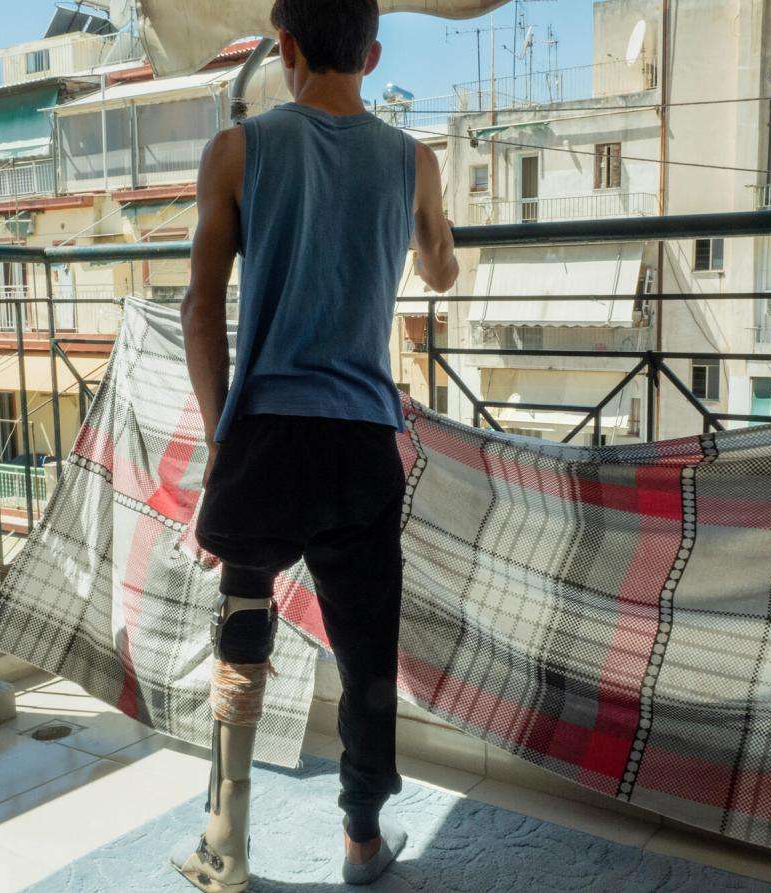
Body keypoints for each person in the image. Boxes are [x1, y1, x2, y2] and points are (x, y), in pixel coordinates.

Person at [175, 1, 458, 889]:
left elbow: (199, 307)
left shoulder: (237, 149)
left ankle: (226, 839)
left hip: (263, 432)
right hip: (360, 442)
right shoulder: (414, 160)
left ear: (285, 49)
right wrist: (423, 227)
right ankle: (363, 841)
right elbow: (442, 270)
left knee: (242, 627)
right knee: (366, 648)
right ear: (371, 55)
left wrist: (224, 434)